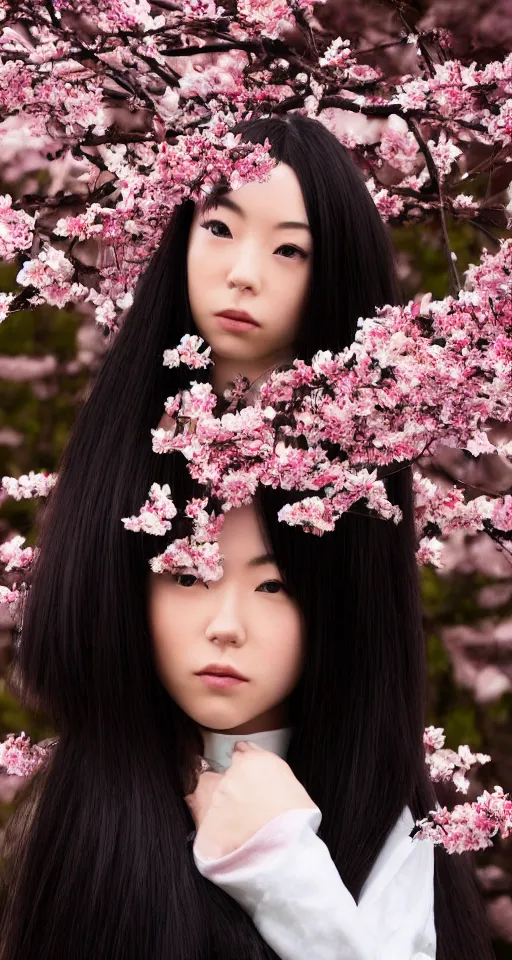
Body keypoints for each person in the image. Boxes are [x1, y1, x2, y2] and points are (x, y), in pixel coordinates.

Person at [0, 113, 495, 960]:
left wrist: (279, 866)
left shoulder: (390, 833)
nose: (242, 274)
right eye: (187, 573)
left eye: (275, 585)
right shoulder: (87, 826)